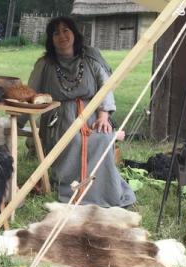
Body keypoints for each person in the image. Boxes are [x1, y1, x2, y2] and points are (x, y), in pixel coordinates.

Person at [26, 16, 135, 207]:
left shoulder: (91, 57)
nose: (62, 35)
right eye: (56, 32)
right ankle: (70, 185)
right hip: (59, 117)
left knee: (102, 137)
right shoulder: (45, 64)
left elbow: (106, 86)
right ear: (51, 39)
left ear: (74, 34)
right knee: (74, 139)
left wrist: (103, 115)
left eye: (66, 30)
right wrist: (15, 123)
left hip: (92, 113)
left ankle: (105, 189)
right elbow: (30, 93)